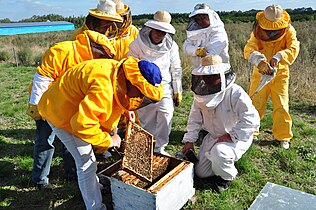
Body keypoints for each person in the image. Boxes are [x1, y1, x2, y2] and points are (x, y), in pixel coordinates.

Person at [37, 57, 164, 210]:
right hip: (60, 112)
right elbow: (81, 125)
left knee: (89, 159)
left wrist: (126, 109)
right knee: (86, 162)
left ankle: (94, 186)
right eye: (140, 93)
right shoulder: (103, 86)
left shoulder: (118, 72)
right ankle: (95, 207)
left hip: (76, 109)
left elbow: (119, 92)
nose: (140, 99)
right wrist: (110, 141)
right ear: (132, 81)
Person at [26, 30, 116, 189]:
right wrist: (36, 105)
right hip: (47, 103)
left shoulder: (92, 60)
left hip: (68, 106)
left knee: (72, 141)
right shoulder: (61, 50)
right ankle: (40, 179)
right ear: (94, 47)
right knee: (45, 141)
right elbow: (43, 77)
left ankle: (72, 174)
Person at [181, 55, 260, 193]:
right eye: (206, 76)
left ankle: (226, 177)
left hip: (235, 138)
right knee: (201, 173)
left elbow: (251, 119)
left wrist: (232, 135)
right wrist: (189, 141)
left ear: (223, 75)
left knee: (220, 152)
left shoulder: (235, 93)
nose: (209, 80)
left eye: (213, 76)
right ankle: (220, 163)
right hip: (213, 136)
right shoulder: (200, 96)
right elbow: (194, 119)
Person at [244, 4, 300, 149]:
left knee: (281, 104)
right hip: (260, 72)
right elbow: (250, 48)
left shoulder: (289, 30)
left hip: (280, 73)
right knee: (256, 103)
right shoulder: (257, 31)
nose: (271, 32)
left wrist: (279, 56)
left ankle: (283, 137)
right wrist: (259, 61)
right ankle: (251, 132)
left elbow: (293, 48)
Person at [128, 10, 183, 155]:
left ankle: (160, 148)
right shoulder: (136, 45)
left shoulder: (172, 46)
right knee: (147, 120)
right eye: (158, 31)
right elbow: (130, 67)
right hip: (143, 88)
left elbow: (176, 68)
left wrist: (178, 90)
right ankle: (147, 148)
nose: (160, 34)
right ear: (151, 29)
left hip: (164, 87)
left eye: (163, 32)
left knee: (167, 115)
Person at [183, 3, 229, 68]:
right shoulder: (195, 32)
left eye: (203, 17)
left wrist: (200, 52)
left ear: (210, 17)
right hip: (199, 70)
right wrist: (196, 51)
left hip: (217, 70)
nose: (201, 21)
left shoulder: (218, 32)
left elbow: (212, 54)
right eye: (198, 19)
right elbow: (186, 47)